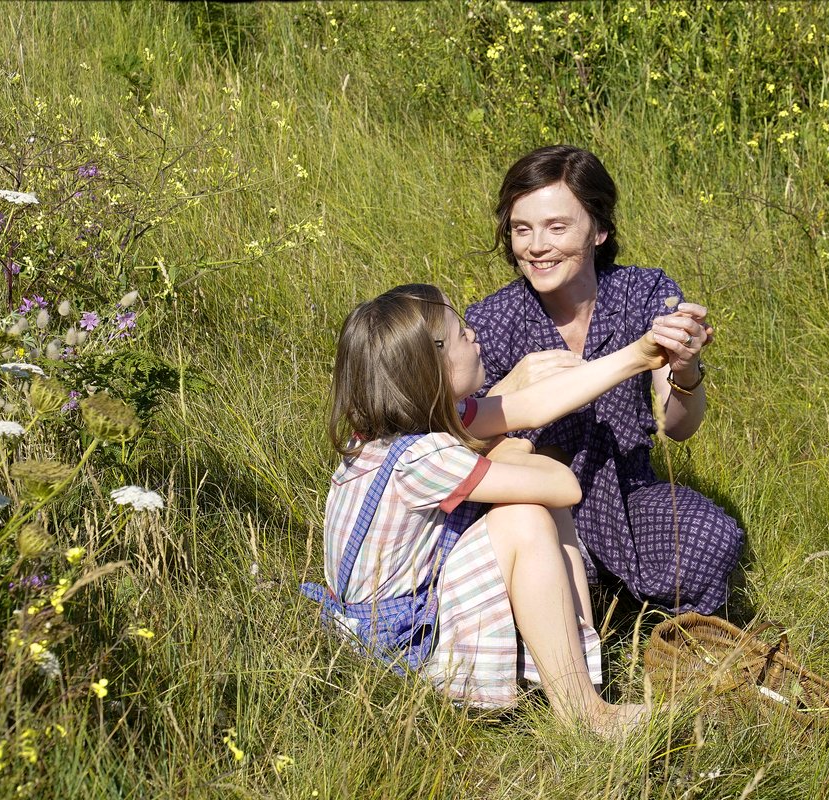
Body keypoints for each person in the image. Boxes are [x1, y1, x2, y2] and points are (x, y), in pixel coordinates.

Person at [309, 283, 670, 734]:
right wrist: (510, 451)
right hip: (404, 642)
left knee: (523, 482)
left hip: (398, 615)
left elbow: (532, 405)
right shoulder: (425, 459)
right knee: (525, 515)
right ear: (432, 364)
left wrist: (639, 355)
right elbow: (565, 486)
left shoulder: (396, 430)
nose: (474, 334)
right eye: (460, 332)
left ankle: (574, 677)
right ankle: (583, 711)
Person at [465, 145, 745, 615]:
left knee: (709, 537)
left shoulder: (644, 293)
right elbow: (459, 442)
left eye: (557, 226)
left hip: (629, 490)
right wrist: (510, 384)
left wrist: (685, 367)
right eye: (521, 229)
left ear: (599, 229)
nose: (536, 246)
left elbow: (678, 427)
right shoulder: (492, 320)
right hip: (539, 503)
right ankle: (584, 620)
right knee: (527, 571)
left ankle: (673, 637)